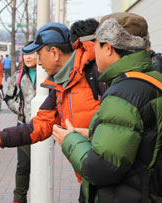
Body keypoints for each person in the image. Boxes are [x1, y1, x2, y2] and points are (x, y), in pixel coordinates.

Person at [0, 22, 102, 202]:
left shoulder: (96, 73)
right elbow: (39, 126)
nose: (39, 62)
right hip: (89, 177)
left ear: (54, 52)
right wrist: (1, 138)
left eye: (40, 54)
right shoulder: (60, 85)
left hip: (111, 179)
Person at [52, 12, 162, 202]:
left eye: (96, 44)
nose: (94, 51)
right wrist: (94, 133)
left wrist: (69, 141)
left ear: (108, 48)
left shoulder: (122, 93)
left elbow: (101, 168)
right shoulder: (153, 79)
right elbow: (143, 140)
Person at [4, 41, 36, 203]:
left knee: (42, 164)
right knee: (23, 164)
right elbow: (8, 98)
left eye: (32, 53)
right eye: (25, 53)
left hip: (45, 126)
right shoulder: (18, 76)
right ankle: (19, 197)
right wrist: (20, 109)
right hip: (23, 126)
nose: (28, 57)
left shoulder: (49, 74)